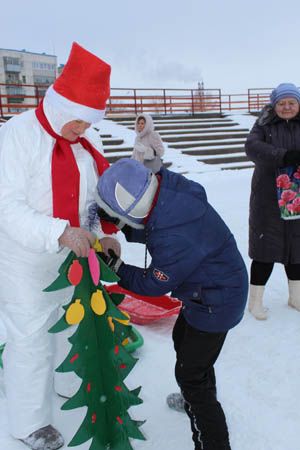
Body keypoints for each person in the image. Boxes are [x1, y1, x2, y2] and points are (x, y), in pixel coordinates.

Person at [0, 42, 120, 450]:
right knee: (30, 339)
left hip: (74, 260)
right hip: (26, 262)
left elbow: (98, 197)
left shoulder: (90, 142)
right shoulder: (17, 136)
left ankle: (72, 387)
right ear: (58, 105)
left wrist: (106, 232)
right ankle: (30, 422)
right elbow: (6, 207)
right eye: (77, 122)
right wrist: (57, 232)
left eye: (88, 124)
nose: (83, 130)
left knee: (75, 326)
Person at [94, 158, 248, 450]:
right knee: (186, 345)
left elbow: (153, 284)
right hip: (206, 291)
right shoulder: (169, 192)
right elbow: (154, 224)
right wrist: (123, 225)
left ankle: (213, 439)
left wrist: (118, 268)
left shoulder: (175, 237)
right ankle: (196, 390)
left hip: (216, 302)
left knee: (190, 374)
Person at [245, 82, 300, 320]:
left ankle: (296, 296)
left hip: (297, 198)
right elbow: (252, 147)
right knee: (264, 250)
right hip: (268, 199)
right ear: (274, 104)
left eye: (292, 102)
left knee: (297, 250)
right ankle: (255, 301)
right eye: (282, 103)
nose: (287, 107)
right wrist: (284, 156)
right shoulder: (263, 125)